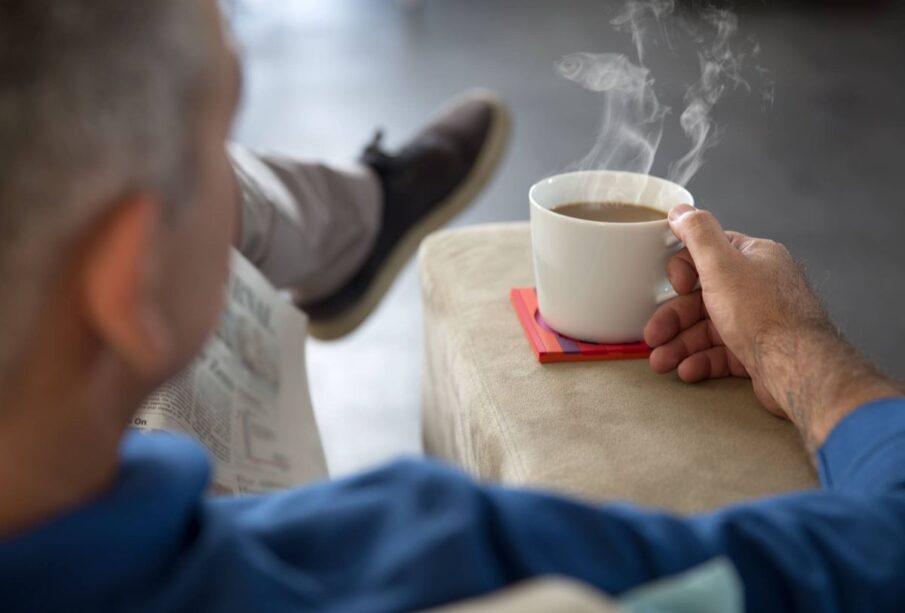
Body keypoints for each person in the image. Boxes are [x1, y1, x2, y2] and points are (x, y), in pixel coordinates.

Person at [0, 1, 903, 612]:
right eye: (222, 142)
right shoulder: (421, 553)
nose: (230, 168)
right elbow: (883, 545)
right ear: (131, 283)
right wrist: (793, 344)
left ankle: (345, 221)